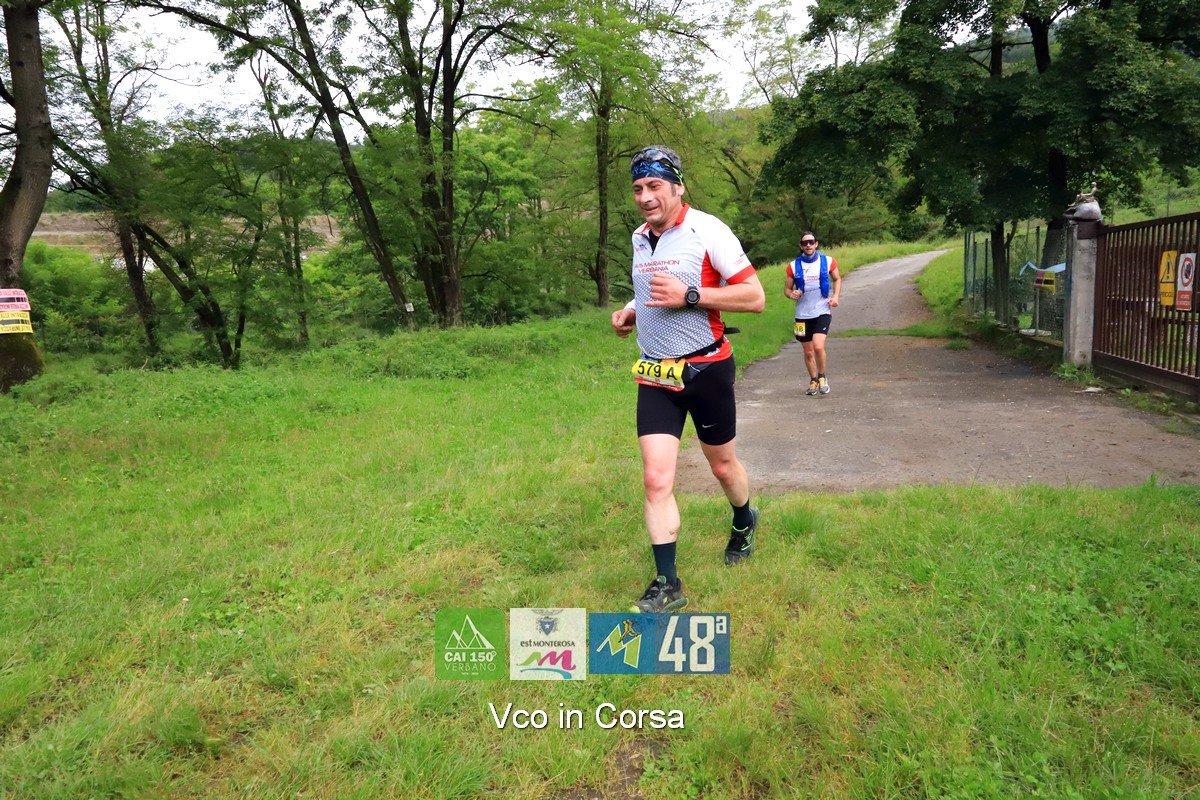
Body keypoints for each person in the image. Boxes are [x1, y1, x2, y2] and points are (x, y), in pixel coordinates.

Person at [610, 145, 766, 613]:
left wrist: (692, 295)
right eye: (638, 188)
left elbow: (754, 297)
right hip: (656, 373)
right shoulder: (640, 237)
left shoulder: (707, 229)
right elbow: (649, 288)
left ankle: (744, 518)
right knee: (656, 478)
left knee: (722, 467)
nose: (644, 197)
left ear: (678, 187)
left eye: (654, 186)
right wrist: (631, 311)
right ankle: (667, 584)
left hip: (707, 369)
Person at [784, 231, 841, 395]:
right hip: (801, 315)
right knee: (808, 351)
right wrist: (791, 294)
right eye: (805, 243)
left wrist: (835, 297)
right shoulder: (793, 266)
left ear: (816, 244)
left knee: (818, 346)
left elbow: (837, 278)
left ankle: (822, 377)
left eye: (811, 242)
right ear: (801, 246)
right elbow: (787, 289)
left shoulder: (828, 261)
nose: (808, 245)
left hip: (822, 311)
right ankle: (813, 380)